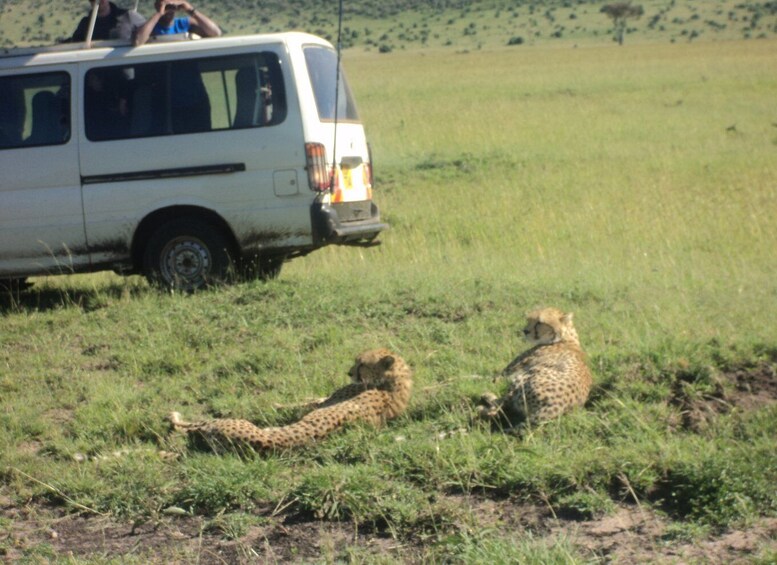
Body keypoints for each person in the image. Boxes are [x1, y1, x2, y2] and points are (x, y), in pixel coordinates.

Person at [133, 0, 221, 46]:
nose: (169, 10)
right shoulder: (151, 28)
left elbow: (215, 32)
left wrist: (190, 9)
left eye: (172, 6)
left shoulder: (184, 24)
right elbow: (138, 41)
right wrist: (159, 13)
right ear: (157, 5)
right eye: (166, 6)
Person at [69, 0, 145, 42]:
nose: (98, 1)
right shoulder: (85, 24)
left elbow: (150, 34)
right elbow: (75, 46)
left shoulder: (129, 16)